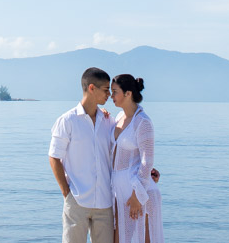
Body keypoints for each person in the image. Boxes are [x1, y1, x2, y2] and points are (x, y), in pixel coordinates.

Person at [48, 68, 160, 243]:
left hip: (107, 201)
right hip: (79, 199)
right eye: (106, 90)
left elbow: (136, 152)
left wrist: (145, 177)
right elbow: (54, 157)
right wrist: (66, 193)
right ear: (92, 88)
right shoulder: (69, 121)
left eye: (112, 91)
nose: (109, 94)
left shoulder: (110, 121)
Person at [110, 73, 163, 243]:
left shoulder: (143, 122)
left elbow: (147, 161)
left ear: (128, 94)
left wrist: (137, 196)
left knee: (142, 238)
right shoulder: (118, 117)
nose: (111, 96)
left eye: (115, 91)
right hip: (120, 192)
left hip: (139, 192)